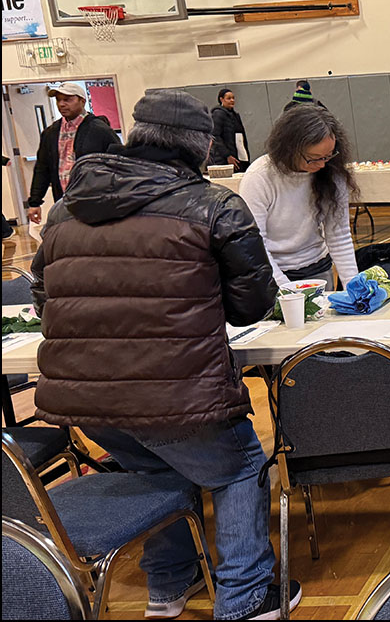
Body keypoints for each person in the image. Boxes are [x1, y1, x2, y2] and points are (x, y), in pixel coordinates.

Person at [29, 89, 297, 620]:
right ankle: (245, 597)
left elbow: (43, 295)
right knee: (239, 467)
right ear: (202, 148)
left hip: (85, 400)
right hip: (176, 390)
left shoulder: (65, 209)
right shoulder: (215, 205)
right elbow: (252, 305)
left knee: (158, 469)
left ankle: (170, 585)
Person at [239, 104, 361, 289]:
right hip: (272, 271)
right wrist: (287, 291)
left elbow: (339, 235)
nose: (322, 164)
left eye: (328, 156)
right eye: (314, 158)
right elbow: (256, 243)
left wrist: (354, 286)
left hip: (317, 270)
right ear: (290, 149)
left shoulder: (332, 173)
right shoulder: (259, 177)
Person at [26, 81, 116, 225]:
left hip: (95, 201)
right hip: (63, 201)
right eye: (58, 100)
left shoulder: (99, 130)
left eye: (67, 100)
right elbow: (42, 168)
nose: (62, 104)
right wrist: (35, 202)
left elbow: (118, 164)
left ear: (82, 101)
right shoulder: (51, 133)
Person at [210, 88, 249, 172]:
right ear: (221, 99)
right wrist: (227, 155)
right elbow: (215, 136)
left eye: (233, 98)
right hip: (225, 159)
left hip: (239, 156)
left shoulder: (235, 115)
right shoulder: (218, 114)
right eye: (229, 98)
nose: (232, 100)